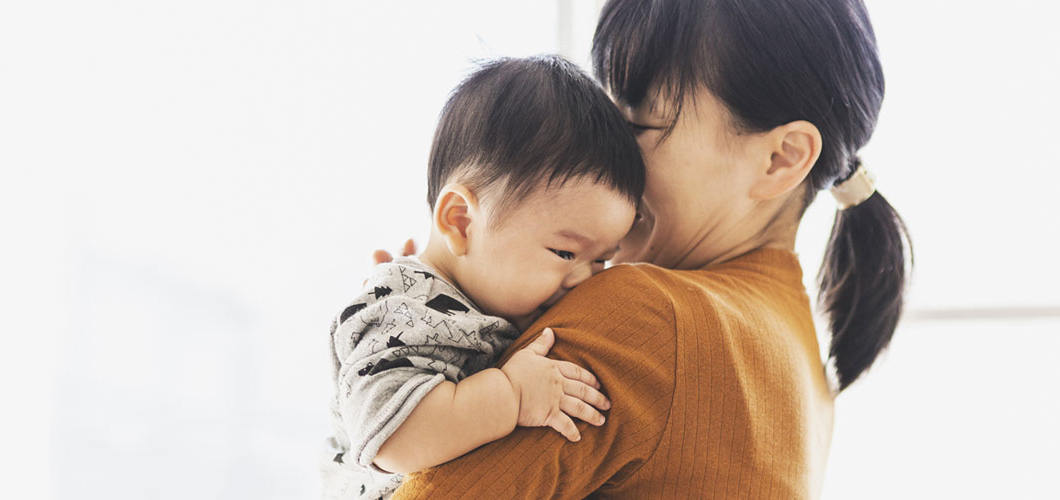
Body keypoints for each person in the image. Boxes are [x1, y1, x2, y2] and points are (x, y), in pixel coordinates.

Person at [391, 0, 911, 498]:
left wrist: (385, 361)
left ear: (781, 158)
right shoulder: (802, 359)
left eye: (638, 125)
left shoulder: (650, 317)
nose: (603, 155)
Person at [322, 56, 647, 500]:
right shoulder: (400, 308)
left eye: (600, 261)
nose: (584, 279)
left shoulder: (496, 301)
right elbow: (395, 440)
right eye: (565, 252)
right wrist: (511, 393)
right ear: (460, 221)